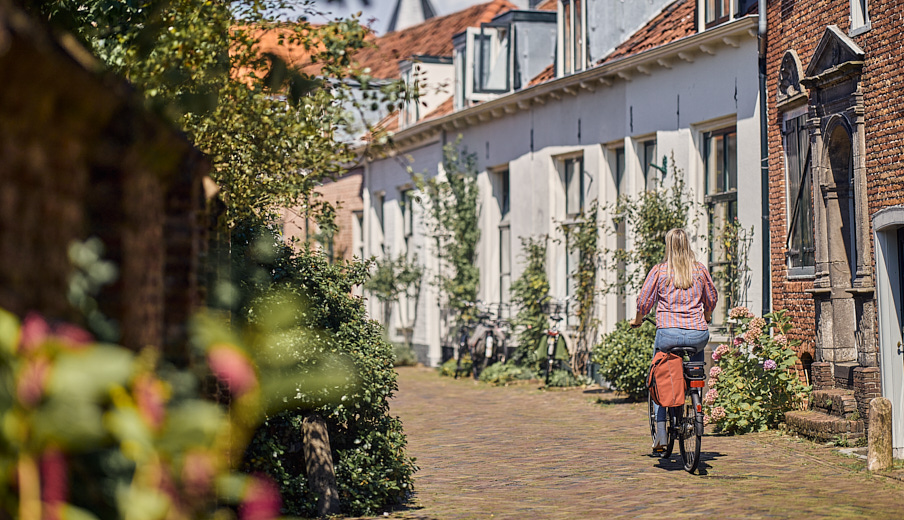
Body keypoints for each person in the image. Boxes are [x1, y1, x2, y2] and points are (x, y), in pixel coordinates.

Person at [630, 227, 717, 451]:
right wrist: (707, 314)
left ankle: (661, 433)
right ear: (687, 244)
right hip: (698, 334)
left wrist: (638, 319)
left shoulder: (659, 272)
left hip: (668, 335)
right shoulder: (699, 270)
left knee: (660, 375)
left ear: (668, 246)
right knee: (696, 368)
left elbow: (643, 303)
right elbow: (712, 297)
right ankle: (696, 396)